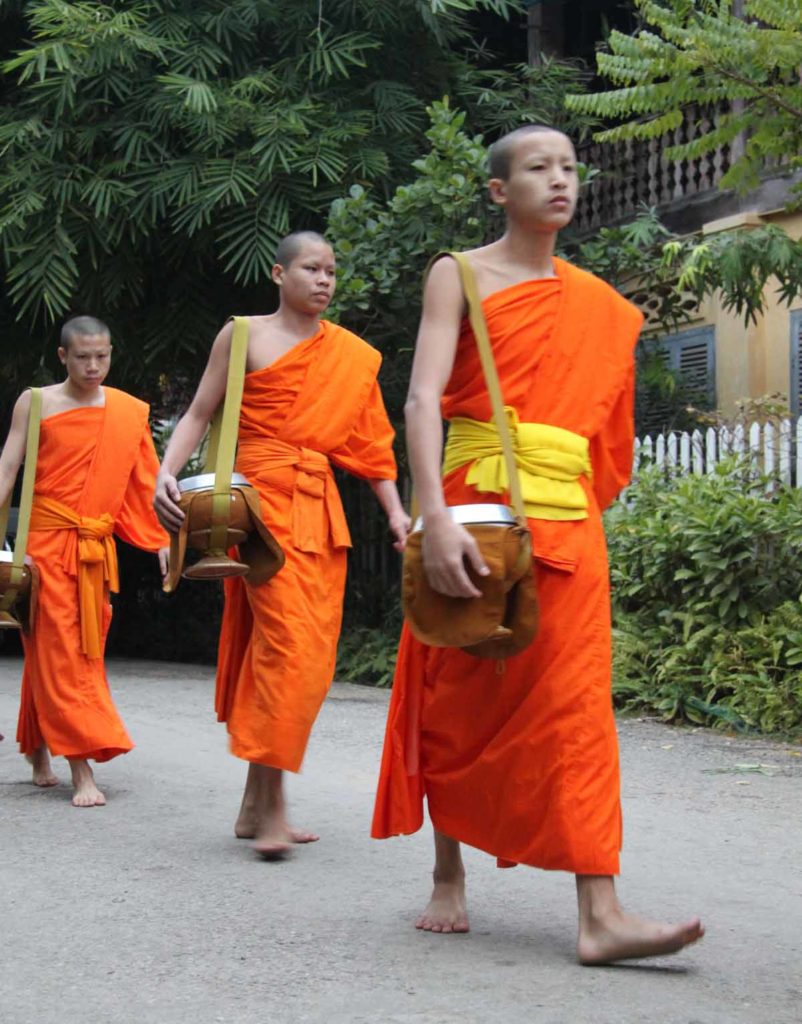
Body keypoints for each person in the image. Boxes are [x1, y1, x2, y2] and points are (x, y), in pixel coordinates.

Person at [371, 126, 705, 964]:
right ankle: (448, 872)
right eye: (537, 168)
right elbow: (421, 402)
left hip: (568, 526)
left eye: (568, 168)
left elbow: (608, 444)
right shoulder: (460, 274)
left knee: (579, 717)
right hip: (476, 508)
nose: (559, 180)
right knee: (456, 691)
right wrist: (433, 515)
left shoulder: (600, 306)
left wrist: (568, 505)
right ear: (498, 191)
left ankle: (601, 912)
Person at [154, 231, 409, 858]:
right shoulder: (242, 335)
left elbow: (374, 448)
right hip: (258, 514)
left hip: (319, 514)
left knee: (311, 662)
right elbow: (199, 412)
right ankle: (274, 808)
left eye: (331, 271)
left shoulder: (349, 355)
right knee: (289, 652)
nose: (324, 280)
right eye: (310, 268)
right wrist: (165, 470)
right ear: (278, 273)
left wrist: (398, 514)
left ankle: (254, 803)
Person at [0, 316, 169, 807]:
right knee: (66, 654)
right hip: (45, 545)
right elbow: (8, 468)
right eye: (82, 357)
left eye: (103, 356)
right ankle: (82, 768)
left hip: (94, 549)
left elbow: (144, 483)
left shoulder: (126, 413)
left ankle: (37, 749)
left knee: (56, 651)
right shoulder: (36, 403)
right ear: (62, 357)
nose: (94, 366)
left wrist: (161, 541)